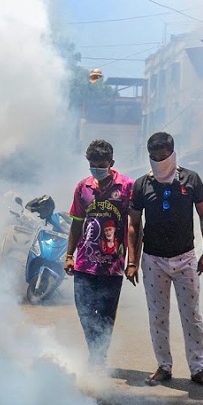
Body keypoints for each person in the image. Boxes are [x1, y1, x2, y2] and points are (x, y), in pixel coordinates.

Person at [126, 132, 203, 388]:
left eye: (162, 156)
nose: (158, 161)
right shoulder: (142, 184)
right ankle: (164, 366)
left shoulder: (191, 179)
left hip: (186, 257)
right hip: (153, 259)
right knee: (158, 315)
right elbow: (134, 223)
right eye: (153, 157)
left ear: (172, 153)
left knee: (192, 315)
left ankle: (198, 368)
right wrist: (132, 261)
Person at [63, 140, 134, 367]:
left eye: (101, 165)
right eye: (92, 165)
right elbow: (76, 224)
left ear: (111, 163)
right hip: (85, 264)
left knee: (105, 315)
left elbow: (135, 227)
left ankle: (98, 356)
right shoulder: (82, 188)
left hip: (112, 266)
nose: (97, 169)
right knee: (84, 312)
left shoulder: (127, 187)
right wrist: (69, 255)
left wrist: (133, 261)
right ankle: (95, 352)